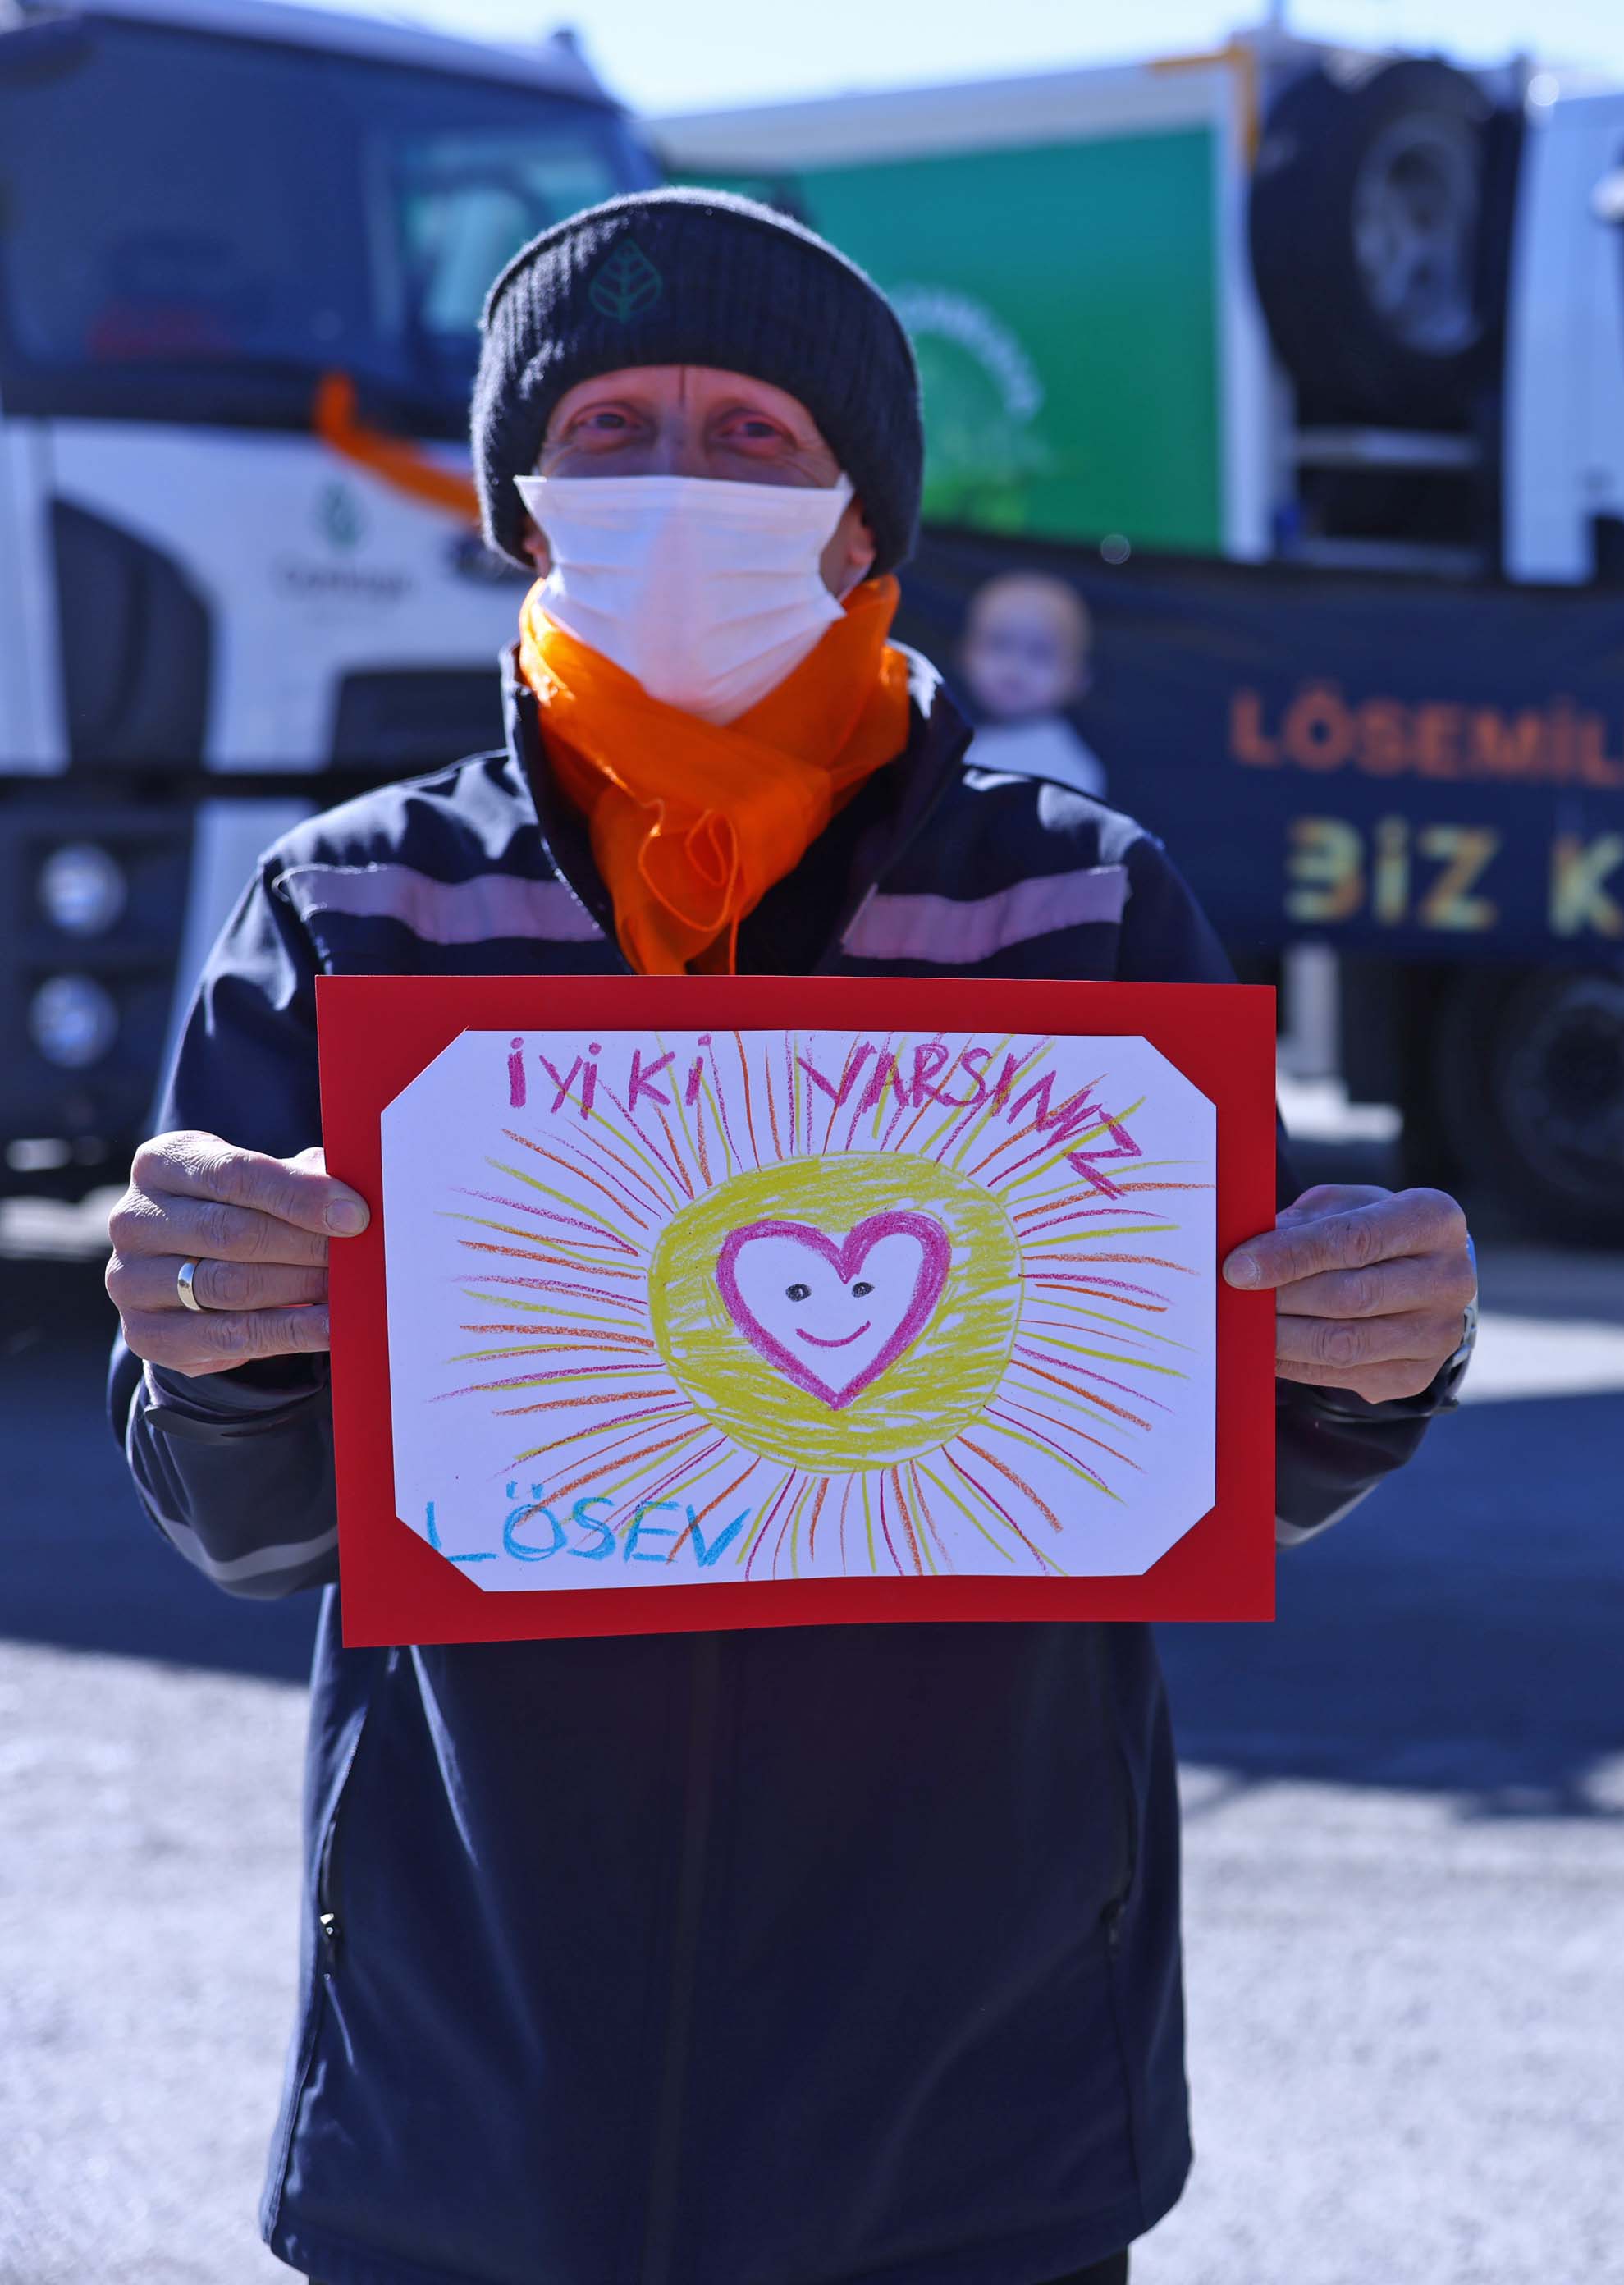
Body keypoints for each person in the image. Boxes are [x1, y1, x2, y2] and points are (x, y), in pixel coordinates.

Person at [100, 189, 1479, 2285]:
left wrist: (1371, 1360)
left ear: (864, 522)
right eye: (614, 427)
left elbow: (1218, 1448)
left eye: (750, 435)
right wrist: (220, 1343)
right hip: (488, 2093)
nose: (676, 482)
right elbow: (256, 1521)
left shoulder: (1082, 910)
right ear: (519, 503)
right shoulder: (348, 911)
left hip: (974, 2097)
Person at [959, 569, 1111, 799]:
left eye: (1040, 654)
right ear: (966, 654)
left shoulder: (1067, 767)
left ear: (1078, 678)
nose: (1014, 667)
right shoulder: (958, 741)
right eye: (999, 644)